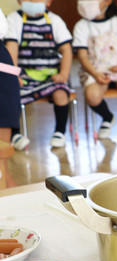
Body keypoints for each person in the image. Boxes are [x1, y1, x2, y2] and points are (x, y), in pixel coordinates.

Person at [4, 0, 73, 149]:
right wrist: (14, 75)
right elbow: (12, 47)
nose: (33, 1)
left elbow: (66, 49)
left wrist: (63, 73)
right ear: (19, 1)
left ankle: (60, 132)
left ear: (49, 2)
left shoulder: (55, 20)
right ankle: (15, 134)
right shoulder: (14, 19)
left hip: (51, 75)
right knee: (11, 94)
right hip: (25, 76)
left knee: (61, 93)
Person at [72, 0, 117, 139]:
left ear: (107, 2)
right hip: (95, 71)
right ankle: (108, 118)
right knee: (92, 96)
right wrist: (95, 74)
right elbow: (82, 56)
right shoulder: (81, 26)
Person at [0, 7, 19, 188]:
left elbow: (9, 39)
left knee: (4, 113)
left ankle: (5, 180)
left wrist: (14, 73)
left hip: (2, 63)